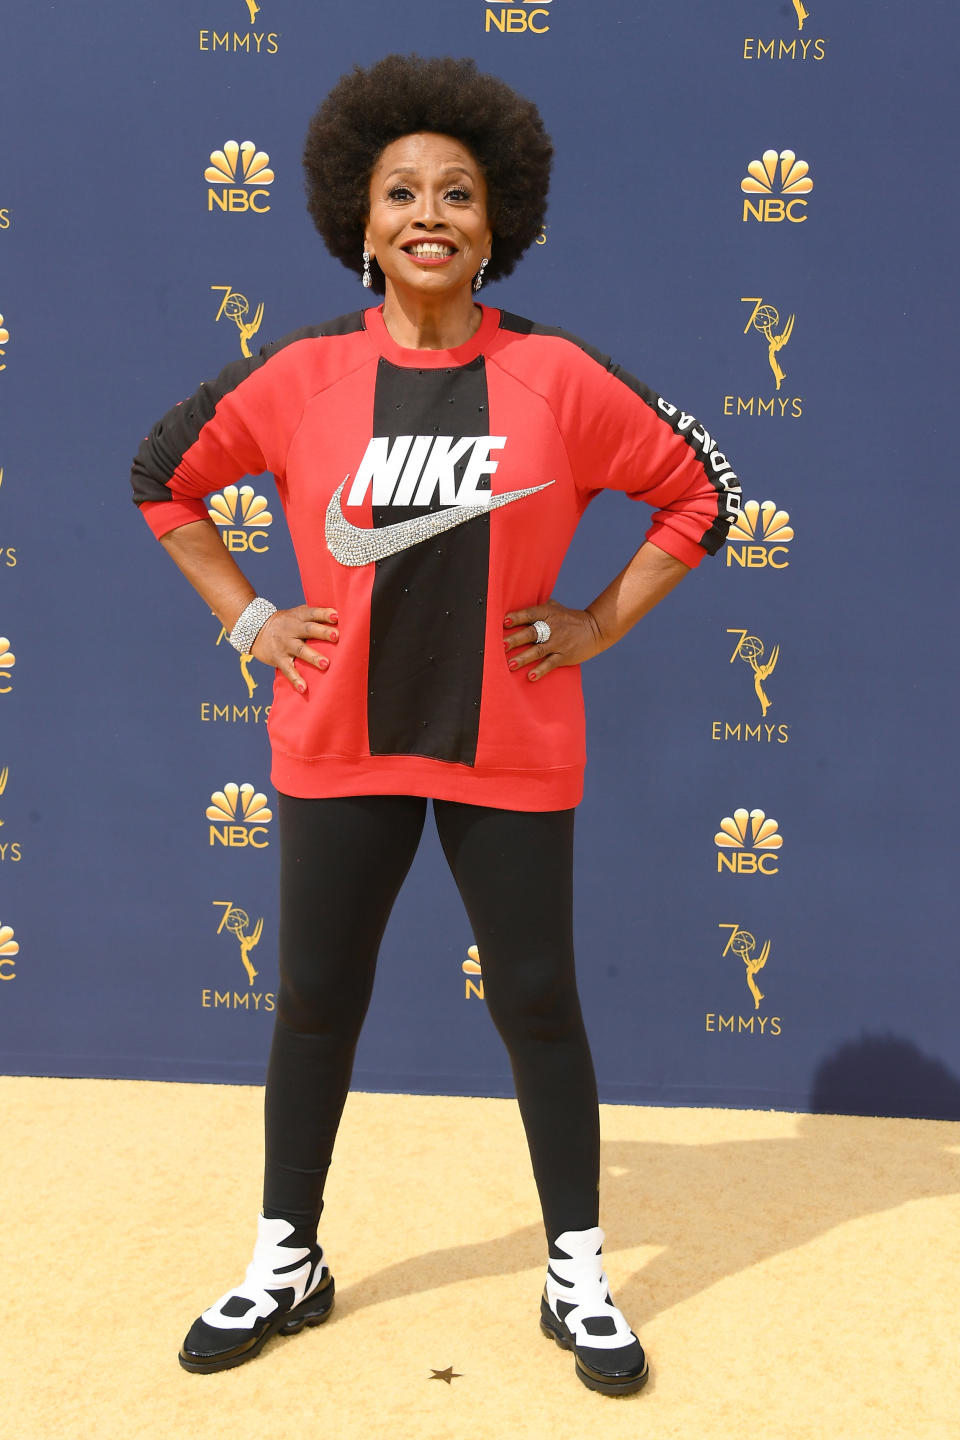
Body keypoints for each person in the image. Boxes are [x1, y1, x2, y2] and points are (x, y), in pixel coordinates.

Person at [130, 54, 740, 1396]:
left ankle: (574, 1263)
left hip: (511, 747)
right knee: (315, 1005)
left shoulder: (560, 378)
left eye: (458, 193)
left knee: (536, 1003)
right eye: (400, 190)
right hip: (337, 742)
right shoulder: (297, 376)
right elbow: (162, 480)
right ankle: (288, 1254)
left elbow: (701, 492)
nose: (428, 213)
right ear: (358, 215)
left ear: (496, 222)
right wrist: (251, 621)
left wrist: (597, 624)